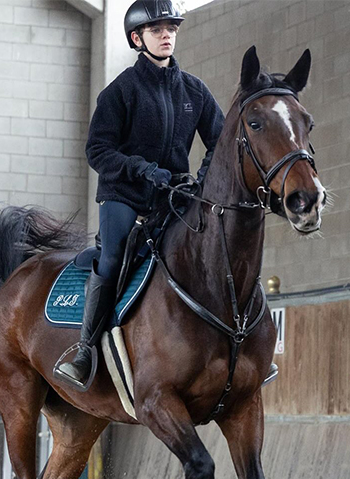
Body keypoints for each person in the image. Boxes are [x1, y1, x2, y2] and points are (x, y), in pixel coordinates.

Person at [54, 0, 225, 390]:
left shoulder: (195, 91)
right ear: (137, 38)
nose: (167, 34)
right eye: (157, 29)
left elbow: (220, 139)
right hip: (124, 195)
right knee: (113, 258)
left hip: (173, 195)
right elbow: (97, 150)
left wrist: (199, 179)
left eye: (172, 28)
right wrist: (140, 168)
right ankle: (84, 351)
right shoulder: (119, 92)